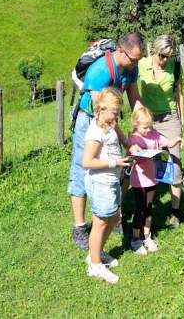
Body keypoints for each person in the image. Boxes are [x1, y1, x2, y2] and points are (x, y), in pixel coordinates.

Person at [68, 31, 144, 250]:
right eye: (133, 59)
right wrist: (124, 139)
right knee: (83, 170)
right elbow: (101, 116)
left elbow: (135, 98)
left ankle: (113, 216)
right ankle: (80, 227)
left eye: (138, 60)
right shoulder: (100, 71)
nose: (135, 64)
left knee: (114, 169)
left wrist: (142, 126)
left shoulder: (131, 67)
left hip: (111, 121)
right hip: (90, 121)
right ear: (121, 51)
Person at [82, 88, 130, 284]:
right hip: (100, 183)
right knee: (100, 223)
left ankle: (96, 252)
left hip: (111, 181)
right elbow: (87, 161)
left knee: (114, 217)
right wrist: (115, 163)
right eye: (115, 112)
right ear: (101, 108)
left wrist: (128, 146)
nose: (116, 116)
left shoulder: (109, 125)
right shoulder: (95, 132)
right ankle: (95, 266)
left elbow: (118, 139)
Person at [138, 35, 184, 227]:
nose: (165, 60)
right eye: (162, 56)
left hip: (169, 118)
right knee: (147, 164)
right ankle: (145, 208)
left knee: (175, 163)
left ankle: (174, 211)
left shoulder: (174, 66)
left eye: (169, 56)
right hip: (148, 121)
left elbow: (180, 94)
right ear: (154, 51)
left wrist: (182, 122)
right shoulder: (141, 65)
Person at [127, 107, 182, 254]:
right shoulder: (133, 139)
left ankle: (147, 236)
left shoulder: (153, 134)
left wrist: (175, 140)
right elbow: (131, 157)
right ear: (135, 124)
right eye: (145, 127)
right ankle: (135, 239)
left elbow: (166, 143)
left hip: (152, 179)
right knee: (139, 209)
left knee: (149, 207)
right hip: (139, 180)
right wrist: (137, 153)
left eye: (150, 126)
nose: (148, 130)